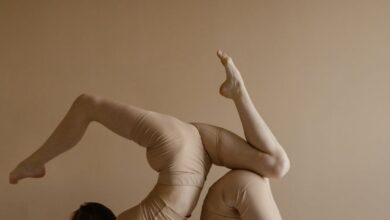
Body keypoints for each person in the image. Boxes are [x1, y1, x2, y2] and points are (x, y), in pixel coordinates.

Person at [9, 50, 290, 220]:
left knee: (86, 104)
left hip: (180, 153)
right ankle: (238, 93)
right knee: (277, 165)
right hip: (198, 142)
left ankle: (33, 164)